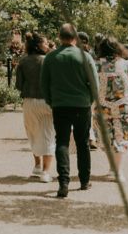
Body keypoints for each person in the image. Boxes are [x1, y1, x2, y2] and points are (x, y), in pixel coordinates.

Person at [40, 23, 98, 198]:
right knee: (82, 143)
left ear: (59, 37)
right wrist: (90, 100)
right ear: (75, 37)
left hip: (60, 105)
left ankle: (63, 182)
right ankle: (84, 180)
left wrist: (51, 102)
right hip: (81, 105)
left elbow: (44, 85)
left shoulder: (50, 58)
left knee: (62, 142)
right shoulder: (85, 57)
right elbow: (94, 84)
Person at [95, 36, 128, 182]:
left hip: (102, 108)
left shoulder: (95, 64)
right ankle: (117, 171)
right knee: (122, 138)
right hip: (124, 107)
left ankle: (113, 168)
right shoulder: (125, 64)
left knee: (107, 139)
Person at [15, 32, 55, 183]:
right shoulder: (49, 61)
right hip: (47, 101)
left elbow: (19, 85)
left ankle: (37, 166)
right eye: (45, 43)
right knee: (48, 135)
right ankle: (46, 172)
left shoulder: (23, 62)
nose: (47, 44)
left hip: (29, 102)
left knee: (33, 134)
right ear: (38, 45)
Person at [77, 31, 99, 150]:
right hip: (88, 90)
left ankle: (90, 138)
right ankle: (91, 138)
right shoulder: (92, 53)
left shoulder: (89, 54)